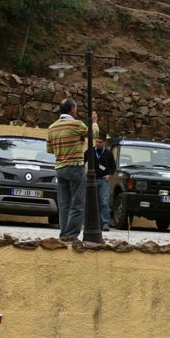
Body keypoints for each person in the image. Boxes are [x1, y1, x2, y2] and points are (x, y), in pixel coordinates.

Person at [46, 98, 98, 240]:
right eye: (76, 107)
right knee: (78, 203)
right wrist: (94, 122)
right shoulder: (76, 125)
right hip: (75, 167)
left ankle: (63, 234)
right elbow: (94, 135)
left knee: (64, 205)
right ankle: (71, 235)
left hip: (60, 168)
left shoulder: (52, 127)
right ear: (72, 109)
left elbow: (49, 149)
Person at [91, 134, 115, 232]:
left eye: (100, 142)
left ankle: (105, 222)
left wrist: (109, 175)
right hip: (92, 180)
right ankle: (93, 223)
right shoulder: (91, 151)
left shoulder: (108, 153)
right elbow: (82, 161)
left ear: (104, 142)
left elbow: (113, 167)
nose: (98, 144)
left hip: (104, 181)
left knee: (104, 202)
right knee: (93, 202)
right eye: (96, 142)